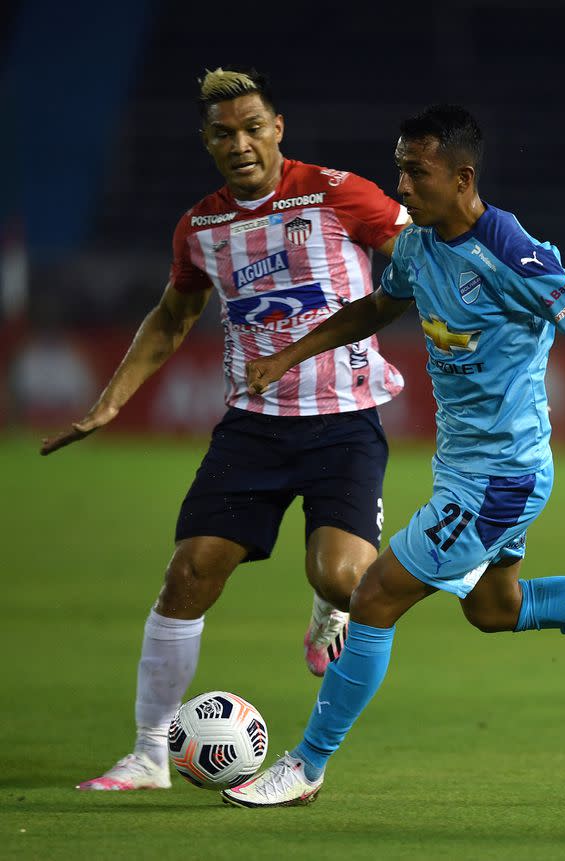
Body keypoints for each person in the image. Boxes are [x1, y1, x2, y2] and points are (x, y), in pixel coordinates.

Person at [219, 104, 565, 810]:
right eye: (398, 167)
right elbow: (377, 308)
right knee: (495, 607)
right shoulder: (420, 247)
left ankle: (306, 765)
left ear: (462, 178)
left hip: (501, 478)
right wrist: (290, 353)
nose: (400, 185)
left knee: (374, 597)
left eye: (416, 171)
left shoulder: (513, 254)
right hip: (467, 469)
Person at [39, 67, 410, 791]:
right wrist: (111, 401)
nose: (239, 143)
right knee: (188, 575)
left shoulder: (337, 192)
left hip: (344, 421)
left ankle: (330, 605)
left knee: (339, 577)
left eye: (251, 127)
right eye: (222, 133)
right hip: (254, 429)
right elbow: (174, 315)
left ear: (278, 128)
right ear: (206, 142)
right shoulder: (202, 227)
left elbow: (415, 261)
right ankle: (150, 751)